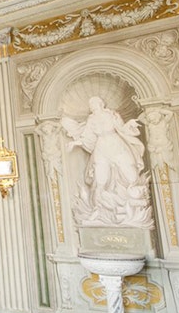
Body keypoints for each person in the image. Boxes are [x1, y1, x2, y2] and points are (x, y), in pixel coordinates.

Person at [60, 96, 148, 224]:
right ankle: (97, 209)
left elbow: (122, 129)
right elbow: (88, 137)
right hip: (101, 147)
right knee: (100, 179)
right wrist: (75, 143)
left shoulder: (112, 114)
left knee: (130, 172)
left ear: (101, 104)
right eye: (91, 104)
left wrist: (130, 125)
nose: (92, 106)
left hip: (116, 143)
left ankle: (133, 205)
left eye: (94, 103)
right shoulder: (91, 119)